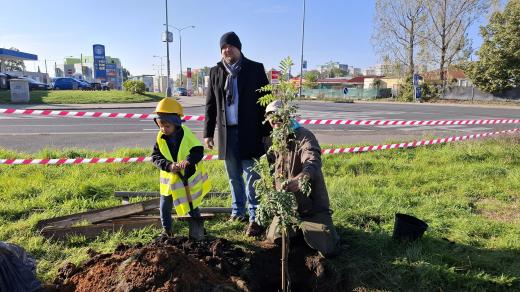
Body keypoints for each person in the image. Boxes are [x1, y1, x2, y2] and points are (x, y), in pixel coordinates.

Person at [203, 31, 271, 236]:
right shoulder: (216, 71)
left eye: (230, 46)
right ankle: (237, 211)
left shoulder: (255, 69)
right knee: (233, 176)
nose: (227, 50)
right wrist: (208, 133)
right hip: (227, 133)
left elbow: (266, 102)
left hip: (250, 132)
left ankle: (255, 216)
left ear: (239, 48)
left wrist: (267, 132)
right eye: (223, 47)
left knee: (252, 175)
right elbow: (210, 105)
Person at [264, 100, 340, 258]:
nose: (274, 120)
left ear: (287, 116)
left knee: (327, 248)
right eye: (270, 117)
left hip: (311, 208)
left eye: (278, 116)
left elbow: (312, 160)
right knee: (275, 238)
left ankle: (318, 231)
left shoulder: (304, 136)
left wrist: (301, 179)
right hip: (287, 209)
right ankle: (297, 231)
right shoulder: (276, 139)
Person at [151, 97, 211, 236]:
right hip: (169, 179)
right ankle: (167, 230)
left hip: (187, 176)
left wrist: (188, 161)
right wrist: (168, 165)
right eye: (160, 125)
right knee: (165, 204)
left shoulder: (187, 135)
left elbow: (198, 151)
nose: (163, 129)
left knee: (191, 203)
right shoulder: (160, 138)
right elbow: (155, 157)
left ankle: (198, 227)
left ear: (176, 123)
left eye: (167, 126)